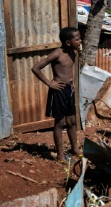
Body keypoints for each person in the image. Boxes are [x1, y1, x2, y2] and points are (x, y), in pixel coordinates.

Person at [31, 26, 83, 162]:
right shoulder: (57, 54)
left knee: (71, 121)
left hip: (69, 90)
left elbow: (71, 69)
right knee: (59, 123)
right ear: (68, 42)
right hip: (58, 91)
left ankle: (75, 148)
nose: (80, 41)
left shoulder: (74, 53)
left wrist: (73, 82)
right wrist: (49, 83)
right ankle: (60, 155)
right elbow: (35, 68)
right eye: (77, 39)